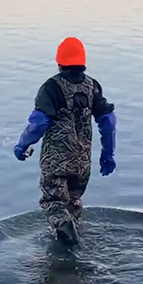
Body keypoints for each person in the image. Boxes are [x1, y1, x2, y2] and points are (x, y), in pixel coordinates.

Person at [13, 36, 116, 245]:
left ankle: (66, 244)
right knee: (73, 204)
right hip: (82, 163)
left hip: (56, 163)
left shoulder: (51, 88)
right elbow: (108, 121)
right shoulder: (92, 86)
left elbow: (38, 123)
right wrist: (108, 153)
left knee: (54, 204)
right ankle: (73, 253)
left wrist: (22, 144)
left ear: (59, 62)